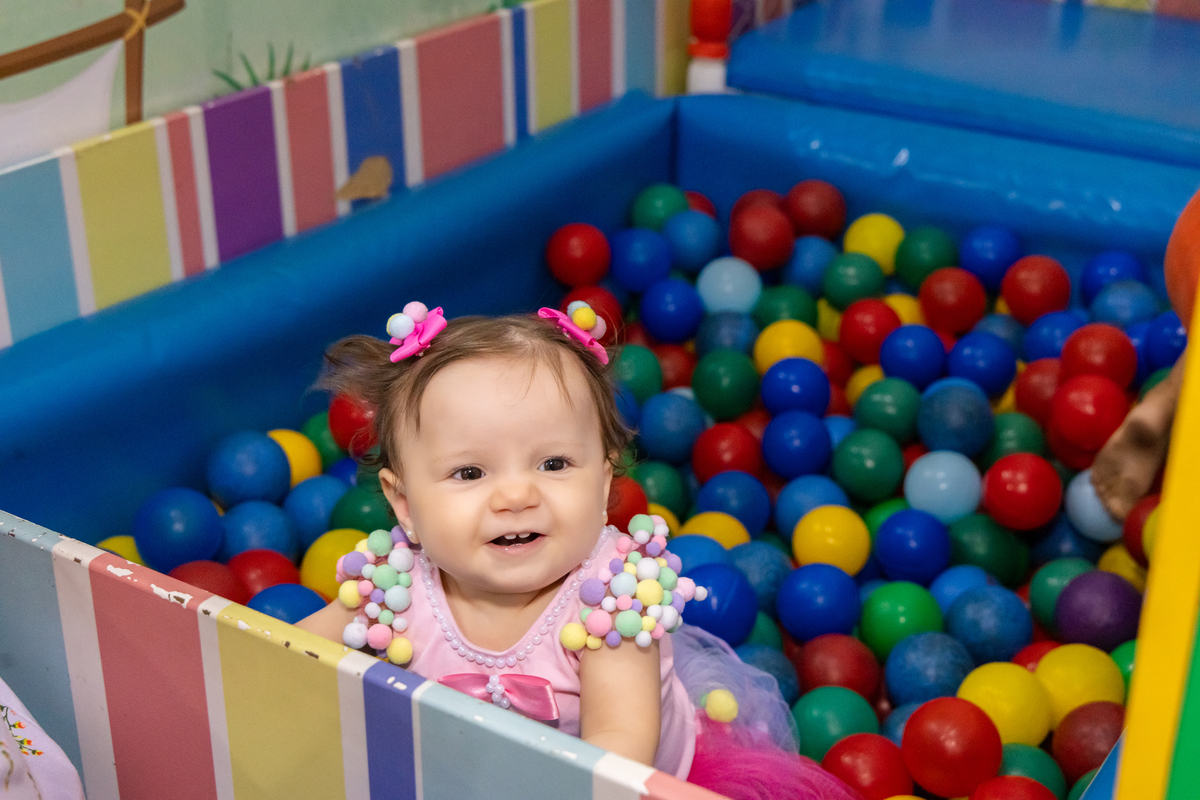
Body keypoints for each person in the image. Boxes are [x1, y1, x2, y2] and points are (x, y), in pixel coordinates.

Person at [297, 302, 857, 800]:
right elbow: (289, 656)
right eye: (469, 472)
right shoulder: (389, 585)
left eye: (554, 464)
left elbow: (619, 748)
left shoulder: (614, 598)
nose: (517, 495)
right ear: (405, 504)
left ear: (604, 480)